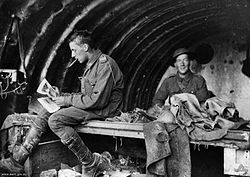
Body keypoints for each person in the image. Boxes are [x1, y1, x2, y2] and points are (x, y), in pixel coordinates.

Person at [0, 30, 124, 177]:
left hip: (104, 110)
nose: (72, 55)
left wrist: (65, 101)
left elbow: (97, 100)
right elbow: (86, 96)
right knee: (46, 111)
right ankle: (18, 161)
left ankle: (89, 161)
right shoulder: (92, 65)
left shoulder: (105, 64)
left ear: (85, 47)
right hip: (93, 106)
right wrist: (61, 96)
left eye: (74, 50)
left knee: (55, 120)